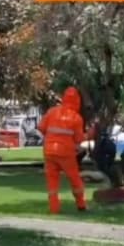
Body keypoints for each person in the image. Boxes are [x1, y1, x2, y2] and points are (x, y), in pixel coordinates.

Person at [38, 86, 87, 214]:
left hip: (49, 151)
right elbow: (79, 139)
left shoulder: (52, 111)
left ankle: (54, 208)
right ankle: (81, 204)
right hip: (66, 152)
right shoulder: (76, 118)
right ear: (77, 101)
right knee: (74, 178)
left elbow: (42, 128)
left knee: (52, 181)